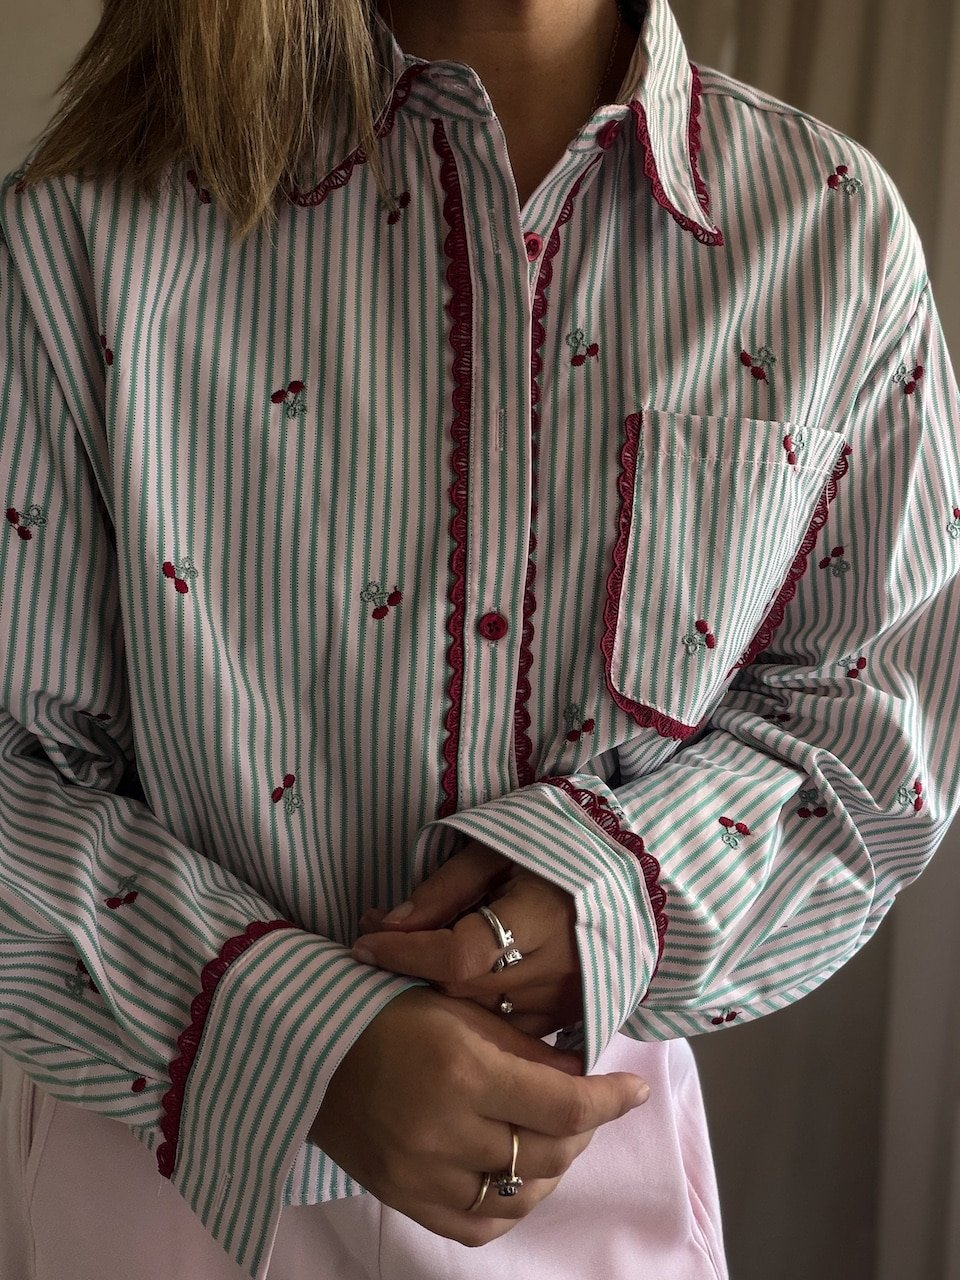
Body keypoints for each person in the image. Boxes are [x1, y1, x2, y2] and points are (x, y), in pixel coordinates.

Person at [1, 0, 959, 1275]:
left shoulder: (828, 230)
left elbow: (876, 716)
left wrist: (615, 888)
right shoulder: (83, 224)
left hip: (592, 1163)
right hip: (161, 1173)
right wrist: (296, 1042)